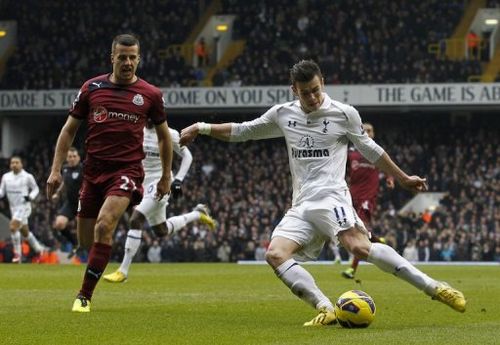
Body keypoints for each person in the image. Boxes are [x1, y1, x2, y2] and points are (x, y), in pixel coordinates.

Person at [180, 60, 466, 326]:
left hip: (332, 198)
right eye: (306, 93)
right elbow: (244, 130)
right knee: (275, 254)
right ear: (294, 90)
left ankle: (436, 288)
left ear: (323, 83)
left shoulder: (343, 114)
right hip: (301, 204)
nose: (313, 97)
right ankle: (326, 308)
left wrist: (402, 178)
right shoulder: (283, 114)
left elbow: (371, 150)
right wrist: (201, 127)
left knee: (359, 247)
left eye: (316, 90)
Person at [46, 33, 173, 313]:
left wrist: (165, 176)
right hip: (93, 173)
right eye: (122, 57)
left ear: (139, 59)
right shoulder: (92, 88)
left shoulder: (150, 95)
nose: (127, 62)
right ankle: (97, 261)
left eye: (132, 57)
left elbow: (164, 137)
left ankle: (84, 296)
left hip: (126, 172)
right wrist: (55, 170)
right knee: (85, 241)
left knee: (105, 225)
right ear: (112, 57)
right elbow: (69, 130)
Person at [102, 124, 216, 283]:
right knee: (161, 230)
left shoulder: (169, 133)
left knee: (136, 219)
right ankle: (197, 214)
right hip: (141, 184)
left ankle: (123, 271)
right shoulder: (136, 130)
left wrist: (178, 180)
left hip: (161, 184)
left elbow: (187, 156)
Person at [341, 122, 395, 279]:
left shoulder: (376, 153)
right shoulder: (350, 153)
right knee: (352, 230)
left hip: (368, 197)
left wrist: (390, 178)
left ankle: (352, 268)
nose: (367, 132)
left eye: (370, 130)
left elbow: (388, 166)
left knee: (360, 230)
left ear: (374, 133)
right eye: (364, 130)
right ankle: (378, 240)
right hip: (351, 197)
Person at [0, 155, 45, 263]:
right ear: (10, 165)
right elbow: (1, 192)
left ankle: (17, 255)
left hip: (24, 207)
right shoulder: (6, 177)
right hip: (13, 208)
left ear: (21, 164)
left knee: (12, 227)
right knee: (25, 232)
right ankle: (39, 249)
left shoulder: (27, 176)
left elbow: (36, 189)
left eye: (17, 162)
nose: (14, 164)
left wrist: (30, 197)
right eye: (12, 163)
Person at [50, 147, 83, 257]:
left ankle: (86, 249)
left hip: (83, 203)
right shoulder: (65, 169)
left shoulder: (84, 169)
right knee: (59, 224)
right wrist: (58, 194)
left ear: (78, 158)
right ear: (67, 158)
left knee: (82, 227)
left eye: (74, 156)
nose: (72, 159)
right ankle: (75, 244)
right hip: (70, 203)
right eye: (70, 156)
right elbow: (64, 183)